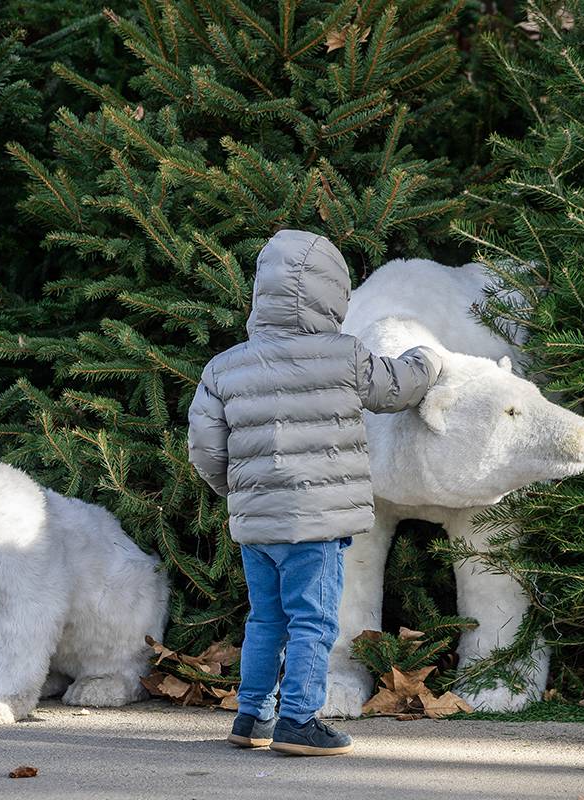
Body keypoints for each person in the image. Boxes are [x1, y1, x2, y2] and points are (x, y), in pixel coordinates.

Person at [187, 230, 442, 756]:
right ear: (332, 293)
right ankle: (300, 719)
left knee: (265, 619)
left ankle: (251, 716)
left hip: (257, 523)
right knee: (313, 619)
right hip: (316, 524)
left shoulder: (225, 367)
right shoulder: (344, 355)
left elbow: (205, 449)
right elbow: (394, 389)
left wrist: (238, 492)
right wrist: (429, 360)